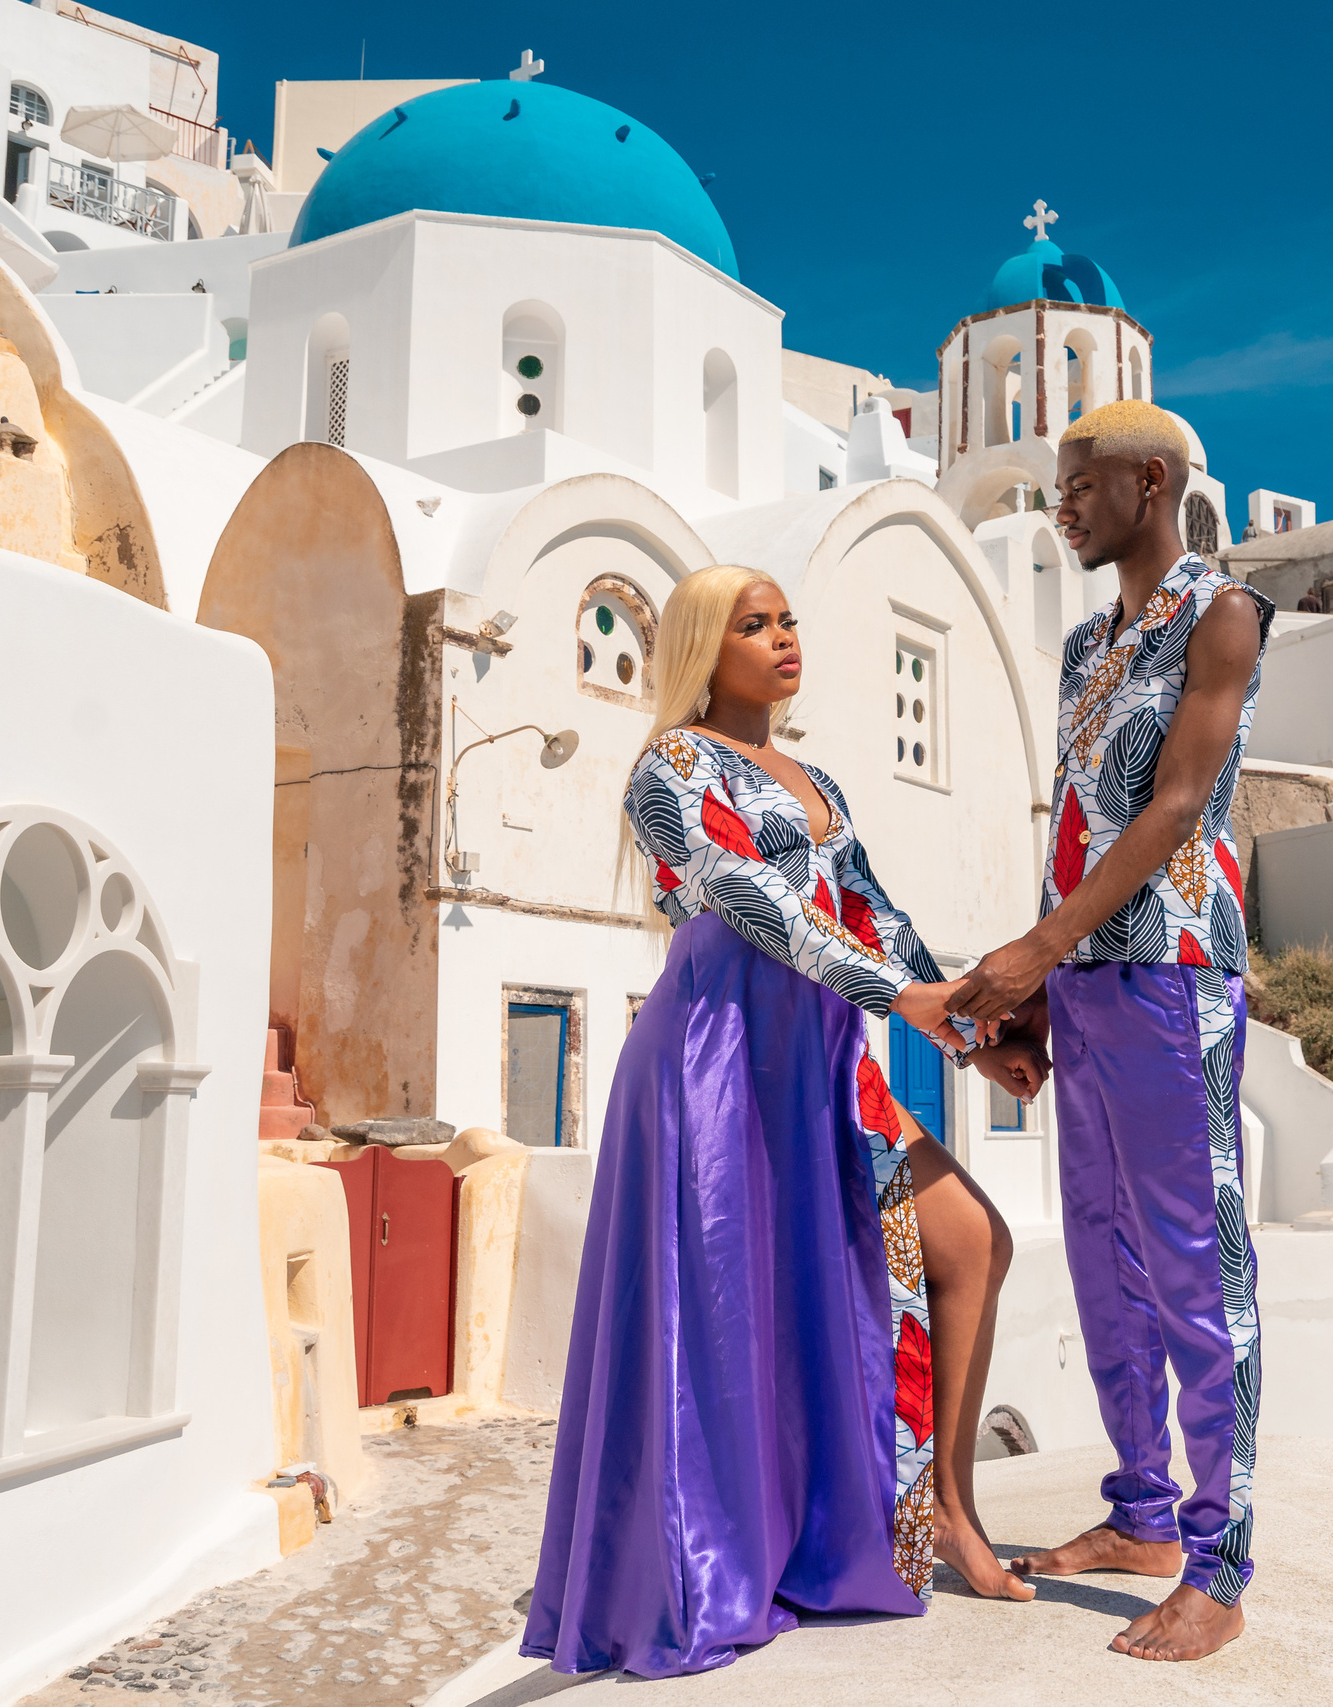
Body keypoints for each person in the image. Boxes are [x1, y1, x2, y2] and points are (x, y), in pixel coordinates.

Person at [521, 564, 1027, 1683]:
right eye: (754, 625)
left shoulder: (819, 781)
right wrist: (903, 1003)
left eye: (788, 619)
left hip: (822, 1063)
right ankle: (715, 1559)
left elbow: (872, 912)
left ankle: (944, 1508)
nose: (782, 638)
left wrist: (980, 1038)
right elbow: (750, 901)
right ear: (706, 649)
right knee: (720, 1315)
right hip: (713, 1062)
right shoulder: (668, 767)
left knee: (971, 1241)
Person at [957, 399, 1275, 1663]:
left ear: (1151, 481)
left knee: (1200, 1268)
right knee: (1104, 1260)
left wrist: (1040, 946)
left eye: (1078, 487)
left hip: (1175, 971)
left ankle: (1221, 1563)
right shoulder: (1090, 642)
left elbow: (1180, 806)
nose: (1061, 510)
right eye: (1054, 491)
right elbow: (1077, 824)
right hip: (1086, 983)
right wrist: (1038, 991)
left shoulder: (1225, 613)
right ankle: (1141, 1515)